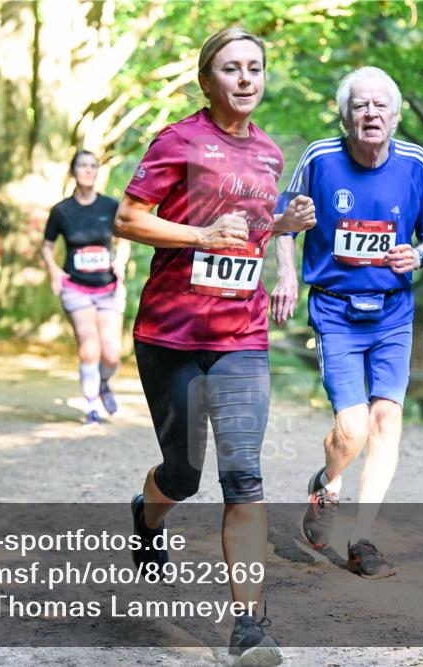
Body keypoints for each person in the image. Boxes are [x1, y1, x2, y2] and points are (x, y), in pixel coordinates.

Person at [114, 28, 315, 664]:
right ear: (208, 80)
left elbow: (247, 233)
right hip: (171, 335)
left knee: (243, 475)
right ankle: (147, 517)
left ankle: (249, 626)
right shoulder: (177, 140)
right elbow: (127, 220)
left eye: (256, 68)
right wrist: (199, 235)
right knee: (184, 473)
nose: (247, 79)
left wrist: (279, 226)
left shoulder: (269, 155)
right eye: (232, 69)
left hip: (241, 334)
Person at [273, 66, 423, 578]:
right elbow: (284, 224)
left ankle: (362, 538)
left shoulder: (415, 162)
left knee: (386, 420)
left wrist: (417, 257)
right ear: (345, 116)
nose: (370, 113)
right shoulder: (320, 158)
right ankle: (327, 485)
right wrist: (287, 275)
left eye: (380, 106)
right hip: (335, 309)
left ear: (394, 117)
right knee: (350, 429)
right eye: (359, 105)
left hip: (393, 313)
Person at [41, 150, 129, 425]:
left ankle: (103, 383)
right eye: (82, 166)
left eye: (93, 166)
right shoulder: (62, 210)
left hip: (108, 287)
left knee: (112, 354)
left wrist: (121, 262)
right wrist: (55, 271)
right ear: (73, 171)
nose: (88, 170)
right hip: (75, 286)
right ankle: (92, 405)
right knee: (89, 345)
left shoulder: (110, 206)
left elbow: (125, 237)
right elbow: (46, 246)